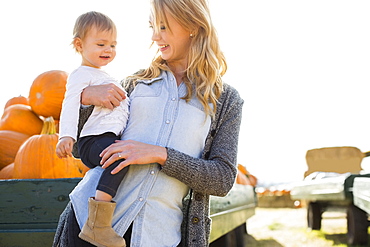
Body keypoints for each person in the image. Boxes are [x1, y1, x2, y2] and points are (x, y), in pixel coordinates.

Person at [53, 0, 244, 246]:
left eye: (163, 27)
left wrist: (160, 154)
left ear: (192, 26)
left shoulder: (226, 100)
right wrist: (85, 100)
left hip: (158, 236)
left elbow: (222, 179)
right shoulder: (133, 84)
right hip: (88, 225)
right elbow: (84, 149)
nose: (155, 36)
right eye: (153, 26)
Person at [56, 11, 129, 247]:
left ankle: (100, 219)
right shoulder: (80, 74)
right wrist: (66, 136)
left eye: (113, 45)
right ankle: (97, 225)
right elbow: (70, 104)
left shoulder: (106, 75)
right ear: (79, 45)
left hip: (106, 138)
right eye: (101, 44)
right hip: (91, 140)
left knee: (121, 156)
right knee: (118, 157)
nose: (108, 49)